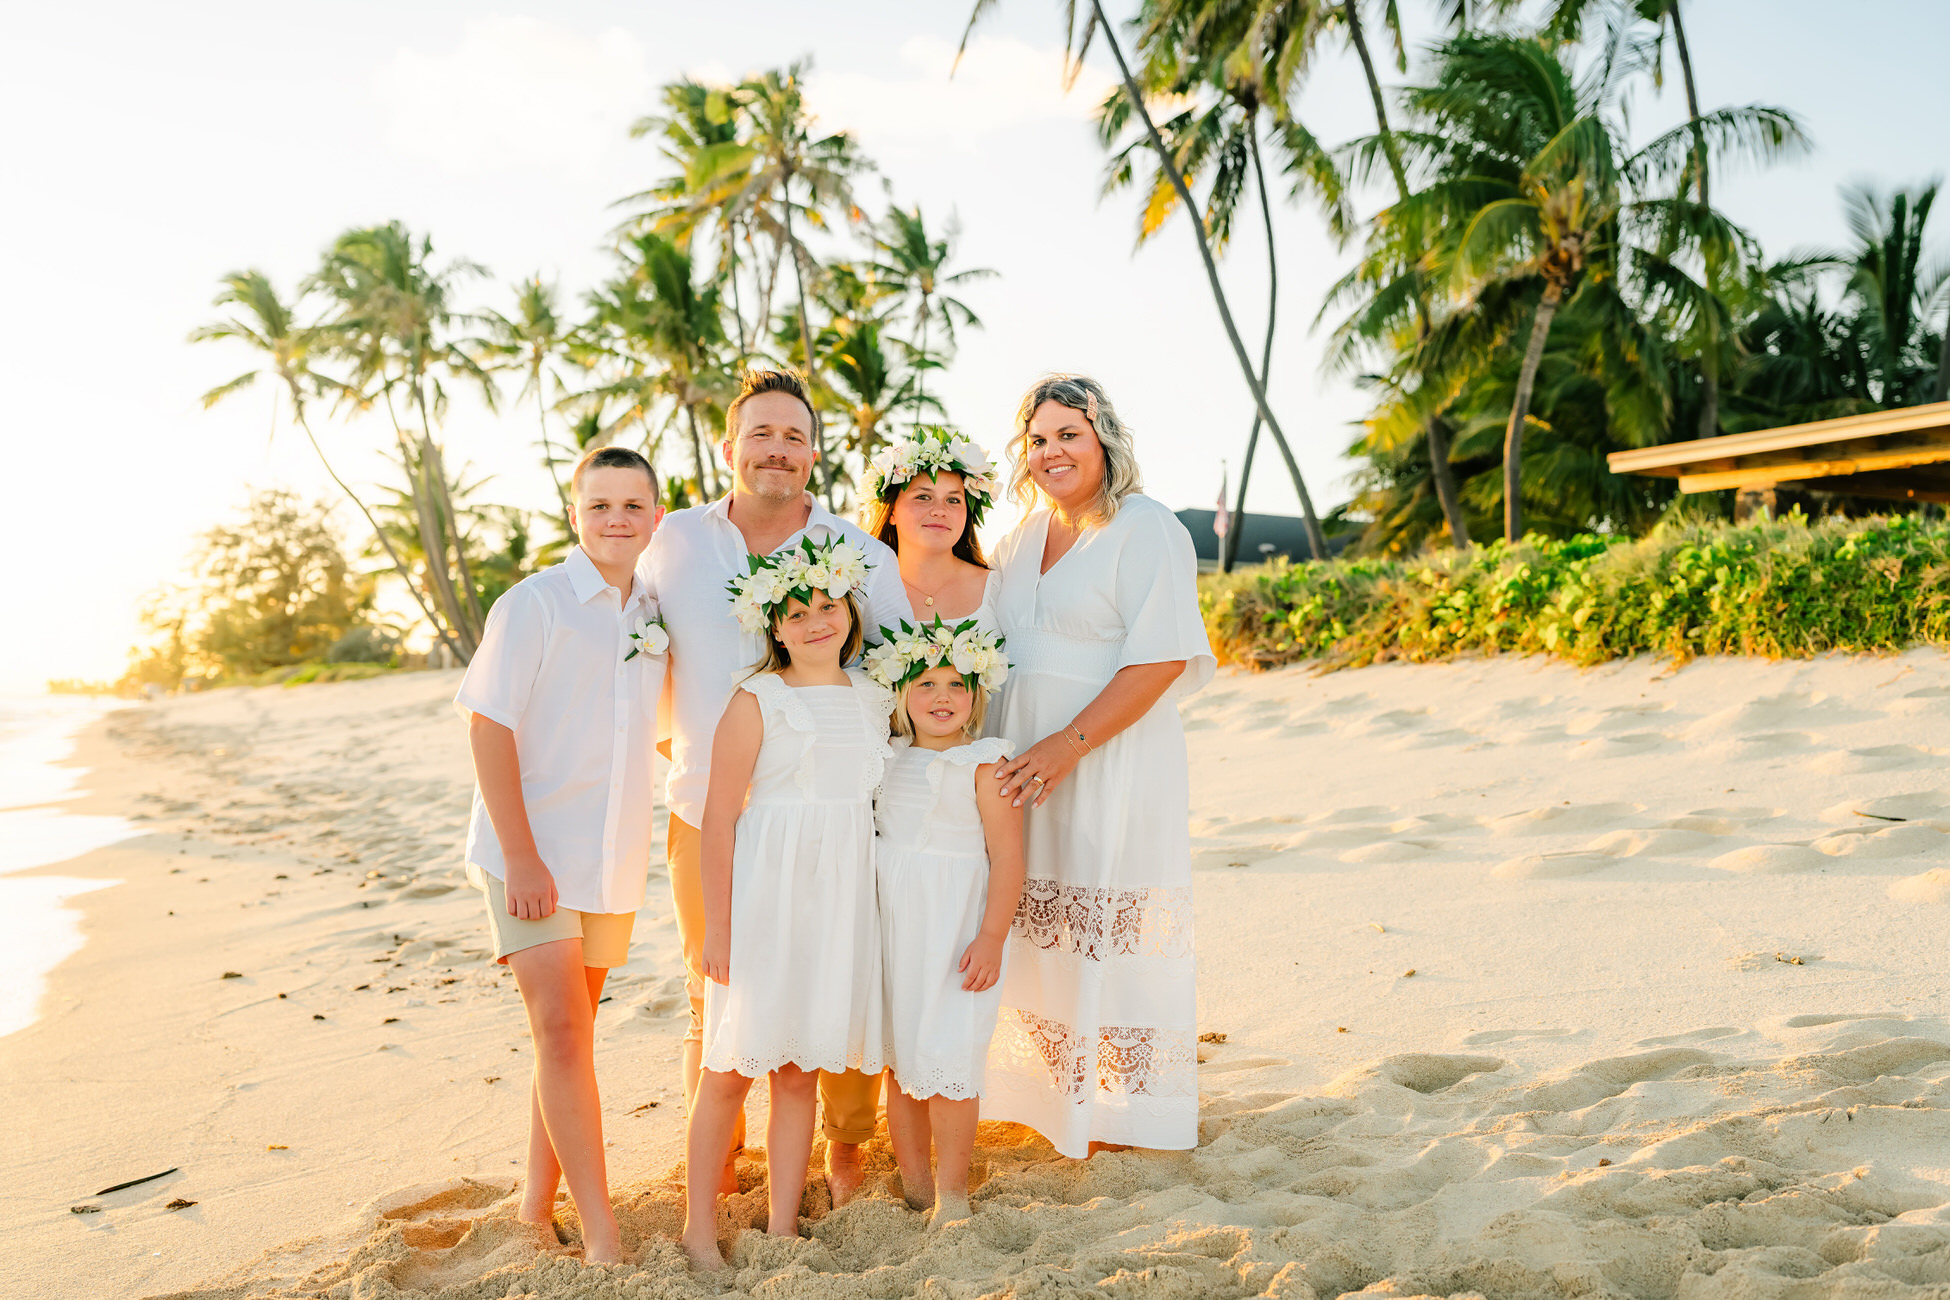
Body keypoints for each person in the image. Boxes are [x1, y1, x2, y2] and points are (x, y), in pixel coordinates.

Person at [640, 368, 910, 1204]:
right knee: (711, 991)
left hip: (832, 819)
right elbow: (633, 636)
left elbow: (893, 677)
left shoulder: (860, 557)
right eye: (761, 433)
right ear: (729, 448)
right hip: (708, 807)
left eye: (794, 436)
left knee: (838, 983)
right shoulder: (676, 540)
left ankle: (847, 1153)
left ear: (815, 453)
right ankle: (717, 1168)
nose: (778, 450)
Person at [982, 375, 1215, 1158]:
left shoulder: (1144, 527)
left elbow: (1161, 660)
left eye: (1068, 435)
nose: (1053, 452)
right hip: (1025, 770)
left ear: (1103, 439)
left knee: (1107, 925)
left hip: (1111, 760)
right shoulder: (1016, 541)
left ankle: (1129, 1112)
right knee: (1040, 930)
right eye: (1038, 440)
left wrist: (1067, 746)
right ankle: (1056, 1103)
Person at [453, 445, 667, 1264]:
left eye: (631, 506)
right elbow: (487, 724)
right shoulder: (534, 603)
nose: (616, 519)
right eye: (599, 505)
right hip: (529, 853)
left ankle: (535, 1210)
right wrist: (523, 857)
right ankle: (604, 1236)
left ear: (655, 516)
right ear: (576, 514)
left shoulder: (654, 611)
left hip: (610, 856)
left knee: (570, 1039)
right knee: (563, 1035)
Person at [681, 538, 892, 1269]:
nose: (814, 624)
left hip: (838, 902)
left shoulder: (874, 697)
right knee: (732, 1065)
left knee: (800, 1067)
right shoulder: (755, 699)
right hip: (767, 896)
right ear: (774, 627)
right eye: (796, 614)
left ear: (848, 612)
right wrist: (718, 927)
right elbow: (717, 818)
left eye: (827, 607)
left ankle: (781, 1225)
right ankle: (698, 1229)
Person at [862, 621, 1022, 1224]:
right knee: (902, 1062)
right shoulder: (886, 758)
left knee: (953, 1058)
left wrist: (992, 936)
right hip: (894, 928)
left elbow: (1007, 856)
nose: (941, 696)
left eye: (957, 684)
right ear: (900, 694)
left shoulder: (986, 762)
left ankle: (953, 1193)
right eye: (925, 683)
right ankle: (917, 1188)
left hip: (957, 929)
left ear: (976, 695)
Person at [858, 426, 1002, 628]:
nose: (939, 510)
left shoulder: (998, 588)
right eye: (923, 497)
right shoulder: (859, 591)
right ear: (891, 512)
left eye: (953, 500)